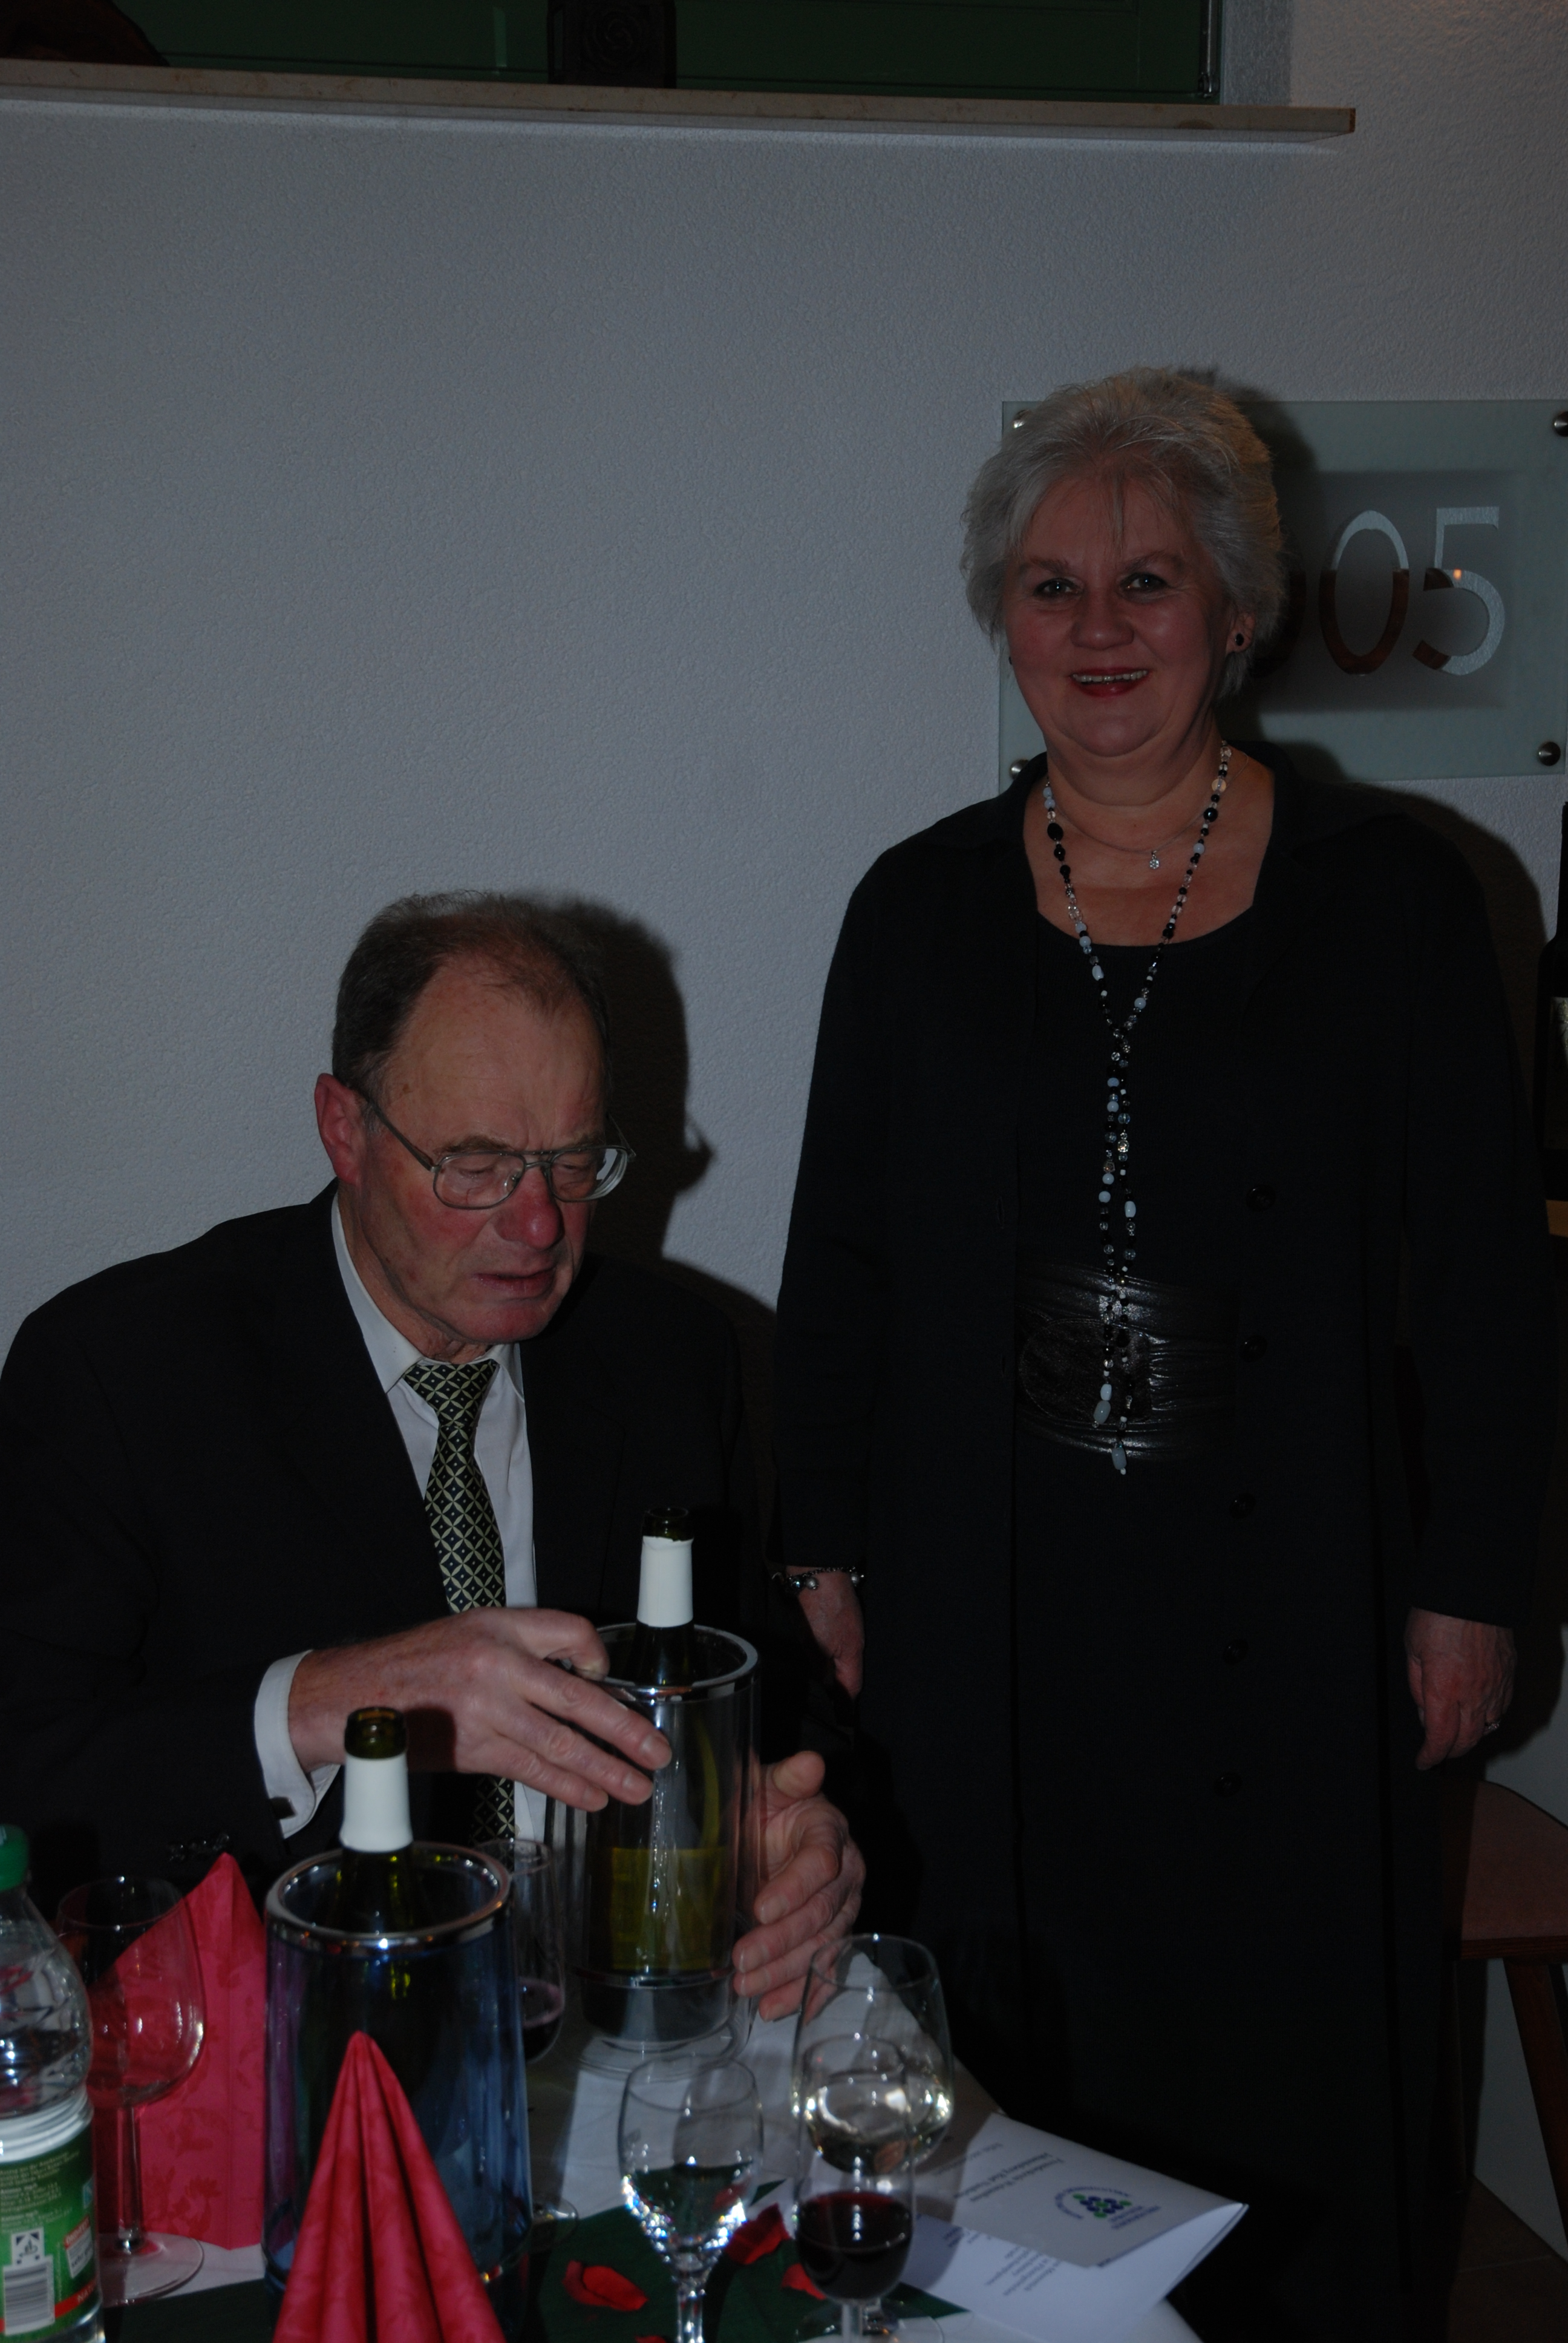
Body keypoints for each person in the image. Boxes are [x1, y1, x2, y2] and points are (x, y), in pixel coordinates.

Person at [771, 370, 1556, 2335]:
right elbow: (842, 1256)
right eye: (1052, 586)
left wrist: (1477, 1585)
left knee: (1284, 2059)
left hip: (1294, 1600)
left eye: (1148, 581)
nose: (1099, 628)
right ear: (1003, 619)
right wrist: (820, 1547)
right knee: (1007, 2078)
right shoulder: (915, 908)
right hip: (990, 1601)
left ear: (1235, 606)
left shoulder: (1397, 901)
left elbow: (1484, 1276)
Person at [0, 892, 861, 2016]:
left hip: (613, 2030)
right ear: (344, 1130)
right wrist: (329, 1701)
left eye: (574, 1162)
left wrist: (801, 1830)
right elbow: (28, 1780)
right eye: (475, 1165)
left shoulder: (671, 1357)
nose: (539, 1224)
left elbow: (764, 1694)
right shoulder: (122, 1371)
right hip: (281, 2040)